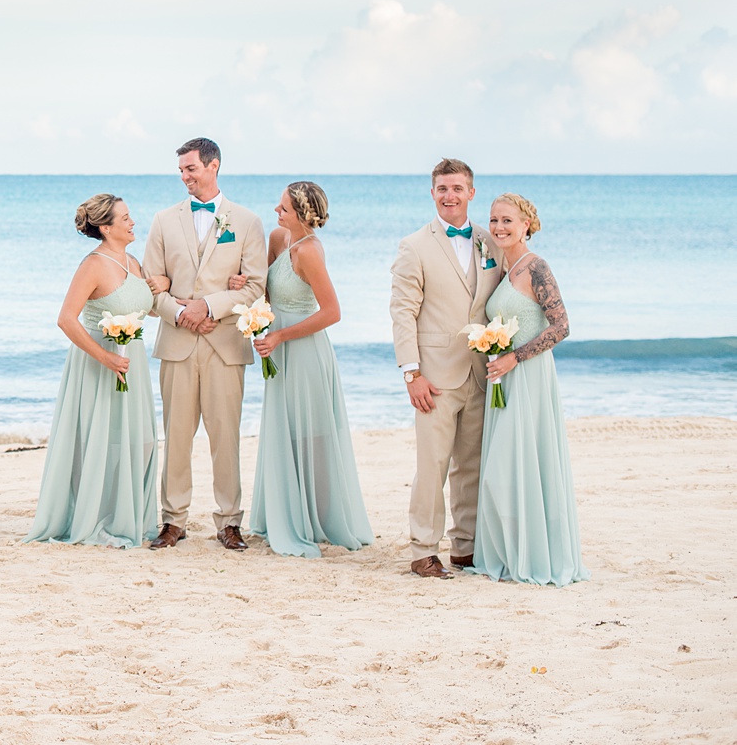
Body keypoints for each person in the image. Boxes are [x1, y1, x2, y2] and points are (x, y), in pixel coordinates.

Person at [142, 137, 267, 551]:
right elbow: (151, 286)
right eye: (180, 170)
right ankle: (173, 520)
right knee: (175, 436)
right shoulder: (163, 220)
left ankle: (229, 521)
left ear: (213, 165)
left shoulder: (247, 222)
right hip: (177, 343)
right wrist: (181, 314)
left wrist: (209, 306)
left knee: (225, 437)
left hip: (225, 346)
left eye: (190, 168)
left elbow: (254, 289)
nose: (184, 176)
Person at [389, 158, 505, 578]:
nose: (450, 196)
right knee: (432, 466)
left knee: (471, 465)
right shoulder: (414, 245)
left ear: (471, 192)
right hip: (434, 377)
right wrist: (412, 373)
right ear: (432, 192)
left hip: (482, 371)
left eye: (457, 188)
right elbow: (402, 312)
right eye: (442, 189)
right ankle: (422, 549)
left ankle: (465, 547)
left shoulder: (491, 242)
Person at [246, 182, 373, 558]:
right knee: (283, 429)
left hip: (304, 352)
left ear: (302, 214)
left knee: (311, 433)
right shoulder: (277, 238)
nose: (276, 211)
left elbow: (331, 312)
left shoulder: (311, 252)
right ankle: (284, 512)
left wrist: (281, 335)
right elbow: (268, 292)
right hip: (278, 349)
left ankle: (316, 517)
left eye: (283, 208)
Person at [26, 194, 159, 548]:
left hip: (135, 363)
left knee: (140, 440)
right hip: (100, 365)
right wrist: (106, 357)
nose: (133, 222)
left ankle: (129, 515)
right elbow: (66, 319)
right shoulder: (93, 265)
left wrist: (166, 290)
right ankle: (97, 517)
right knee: (100, 441)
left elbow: (148, 306)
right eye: (126, 218)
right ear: (105, 227)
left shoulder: (133, 260)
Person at [472, 194, 587, 586]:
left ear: (527, 225)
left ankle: (533, 554)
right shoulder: (503, 268)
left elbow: (561, 326)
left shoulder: (537, 267)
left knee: (520, 465)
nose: (500, 227)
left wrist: (514, 357)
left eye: (507, 220)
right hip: (503, 379)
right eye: (494, 220)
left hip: (528, 377)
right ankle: (508, 551)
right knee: (503, 469)